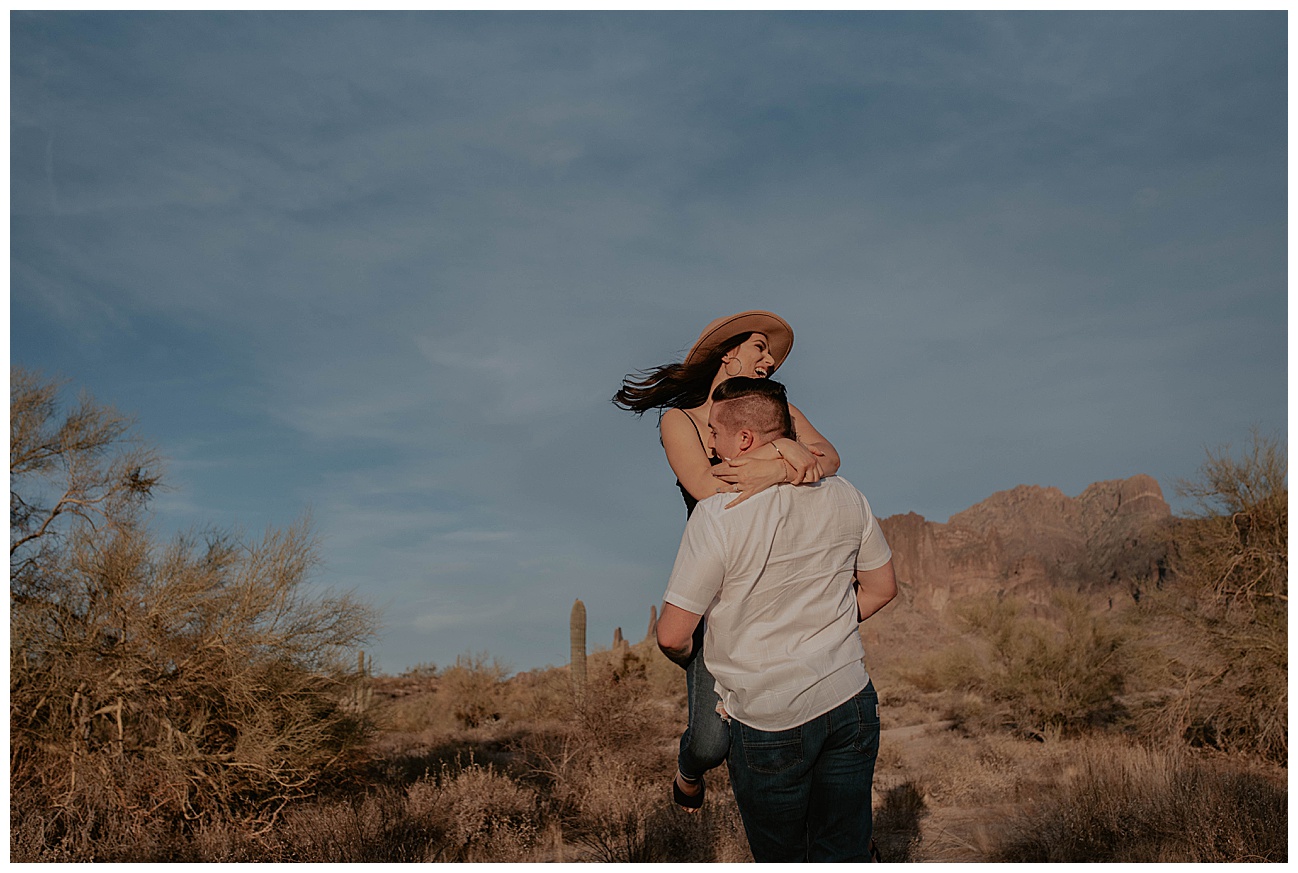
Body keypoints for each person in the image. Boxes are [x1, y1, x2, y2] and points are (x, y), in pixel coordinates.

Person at [656, 377, 897, 862]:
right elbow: (882, 588)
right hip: (850, 700)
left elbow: (673, 634)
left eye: (715, 433)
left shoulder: (717, 514)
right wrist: (824, 632)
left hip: (769, 720)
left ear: (743, 439)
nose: (709, 443)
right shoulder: (845, 493)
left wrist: (716, 673)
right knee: (845, 853)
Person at [613, 311, 841, 812]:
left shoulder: (777, 411)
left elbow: (829, 459)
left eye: (771, 354)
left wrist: (782, 444)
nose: (768, 360)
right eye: (759, 348)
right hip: (718, 577)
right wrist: (782, 461)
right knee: (711, 741)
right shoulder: (681, 419)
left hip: (780, 567)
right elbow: (705, 487)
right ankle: (688, 770)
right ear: (727, 353)